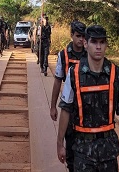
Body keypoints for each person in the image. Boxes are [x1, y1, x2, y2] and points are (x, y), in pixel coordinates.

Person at [57, 25, 119, 172]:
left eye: (102, 42)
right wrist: (60, 144)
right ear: (86, 44)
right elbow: (65, 109)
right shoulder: (73, 74)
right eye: (94, 42)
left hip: (109, 151)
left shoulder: (117, 74)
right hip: (82, 150)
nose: (98, 47)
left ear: (106, 44)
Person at [50, 21, 86, 172]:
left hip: (87, 105)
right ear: (71, 35)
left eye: (83, 36)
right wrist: (53, 106)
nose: (81, 40)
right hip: (70, 105)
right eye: (78, 36)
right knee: (70, 147)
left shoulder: (89, 52)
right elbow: (58, 81)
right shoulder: (63, 55)